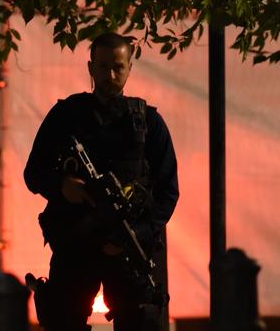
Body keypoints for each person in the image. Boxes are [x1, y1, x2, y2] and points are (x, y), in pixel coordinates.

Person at [24, 32, 179, 331]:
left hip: (128, 252)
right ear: (90, 67)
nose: (110, 75)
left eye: (118, 67)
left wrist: (133, 234)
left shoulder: (148, 123)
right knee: (62, 319)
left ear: (130, 68)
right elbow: (33, 173)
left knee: (140, 319)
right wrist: (62, 186)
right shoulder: (66, 116)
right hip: (76, 244)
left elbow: (168, 192)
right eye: (103, 66)